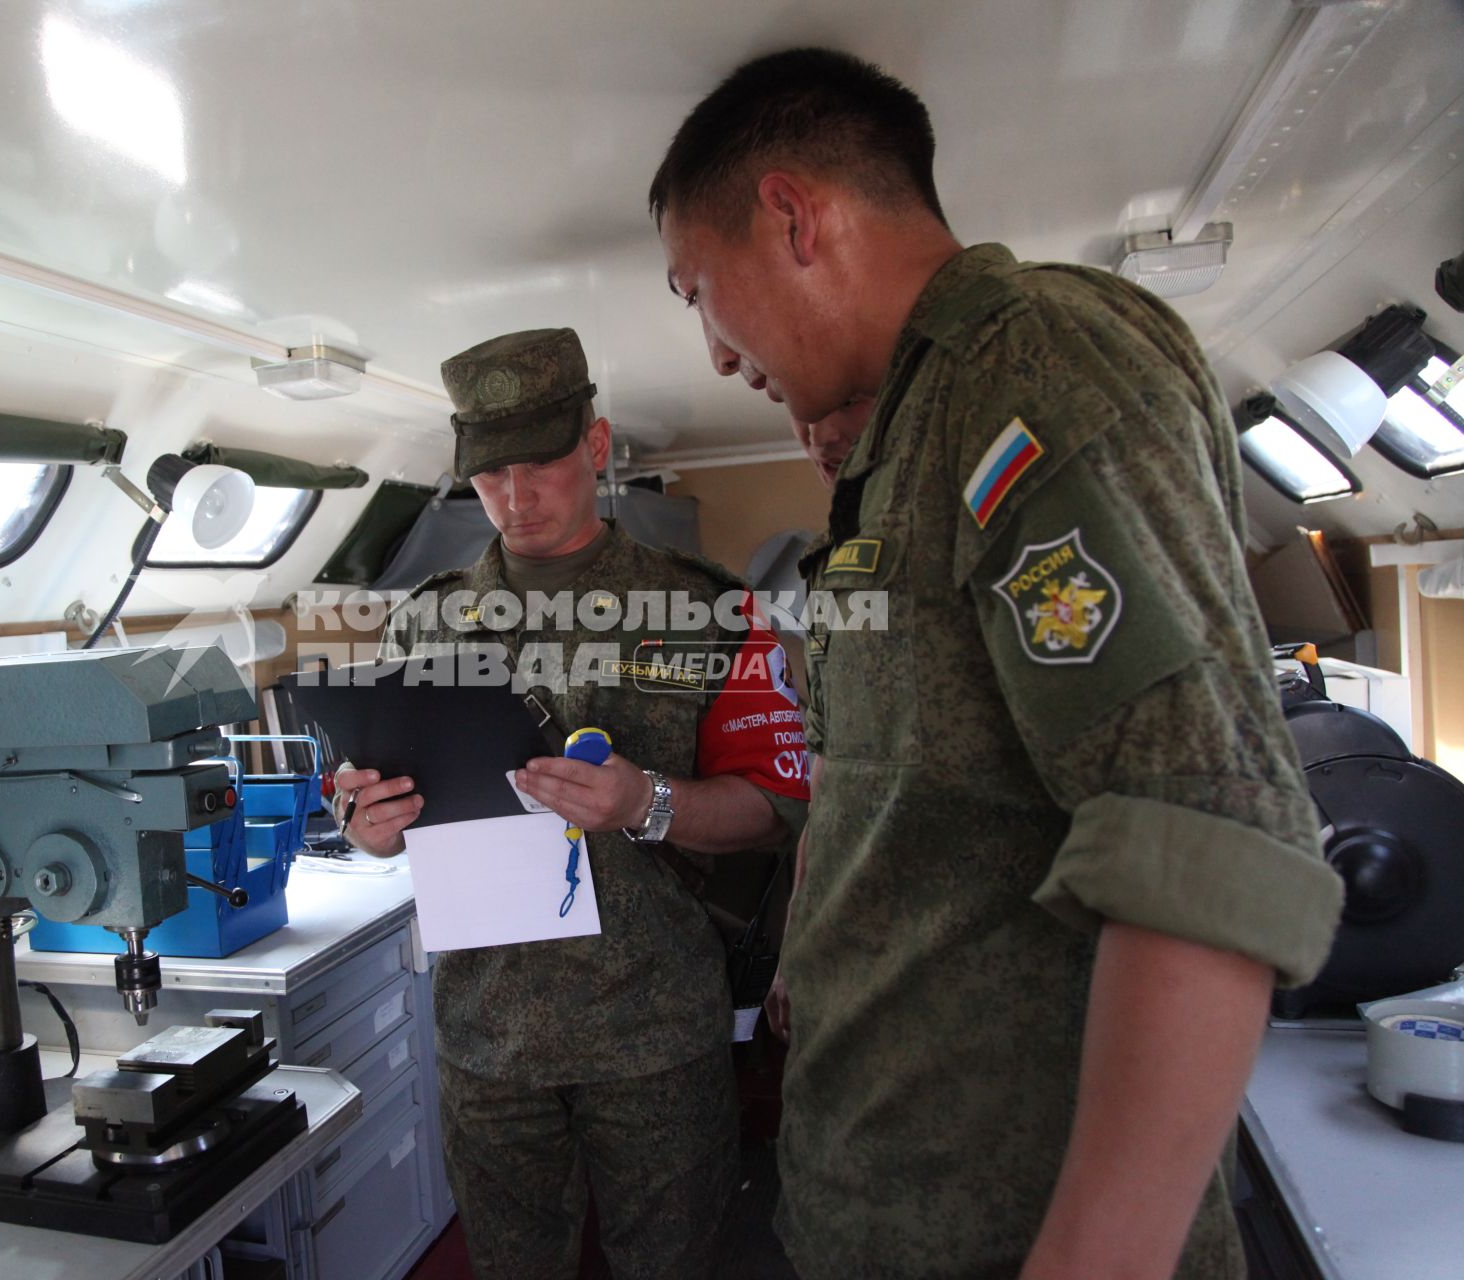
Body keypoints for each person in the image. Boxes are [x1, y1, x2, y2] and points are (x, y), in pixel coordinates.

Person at [649, 48, 1345, 1280]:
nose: (711, 352)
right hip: (883, 1200)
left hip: (1007, 1226)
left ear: (792, 216)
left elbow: (1200, 840)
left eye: (697, 290)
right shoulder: (904, 442)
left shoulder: (1032, 367)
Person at [333, 327, 808, 1280]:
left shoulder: (710, 610)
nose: (514, 496)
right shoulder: (422, 620)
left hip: (655, 1034)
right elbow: (382, 815)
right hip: (488, 1035)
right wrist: (367, 825)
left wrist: (647, 801)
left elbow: (775, 807)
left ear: (593, 447)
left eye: (539, 464)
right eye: (489, 473)